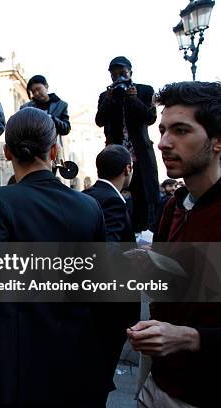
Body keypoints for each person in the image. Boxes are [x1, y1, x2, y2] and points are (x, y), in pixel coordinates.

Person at [0, 108, 110, 407]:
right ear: (54, 150)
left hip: (18, 362)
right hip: (79, 357)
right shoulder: (89, 207)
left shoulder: (0, 201)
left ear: (7, 152)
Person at [127, 81, 221, 408]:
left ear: (217, 141)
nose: (164, 142)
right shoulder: (174, 206)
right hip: (159, 386)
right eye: (163, 130)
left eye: (181, 131)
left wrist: (192, 338)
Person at [83, 145, 140, 401]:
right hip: (108, 308)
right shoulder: (114, 202)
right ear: (127, 169)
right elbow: (107, 251)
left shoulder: (85, 196)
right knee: (99, 376)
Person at [95, 56, 159, 232]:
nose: (119, 78)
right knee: (115, 196)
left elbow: (150, 117)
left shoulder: (145, 91)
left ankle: (145, 234)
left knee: (144, 197)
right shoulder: (106, 95)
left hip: (140, 155)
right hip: (117, 155)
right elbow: (99, 121)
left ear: (131, 72)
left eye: (122, 73)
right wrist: (108, 100)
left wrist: (134, 99)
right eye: (114, 75)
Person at [20, 74, 71, 141]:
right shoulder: (25, 108)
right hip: (32, 147)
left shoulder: (61, 105)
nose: (36, 93)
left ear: (46, 86)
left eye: (38, 89)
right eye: (33, 92)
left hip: (53, 146)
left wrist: (51, 118)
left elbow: (66, 129)